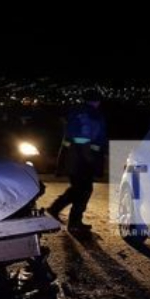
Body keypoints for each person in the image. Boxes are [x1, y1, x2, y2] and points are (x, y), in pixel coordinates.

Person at [47, 89, 107, 231]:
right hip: (82, 159)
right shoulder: (90, 115)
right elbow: (84, 137)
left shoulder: (78, 112)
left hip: (75, 158)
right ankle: (74, 223)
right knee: (84, 190)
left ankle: (55, 209)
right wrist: (90, 158)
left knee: (78, 189)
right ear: (97, 101)